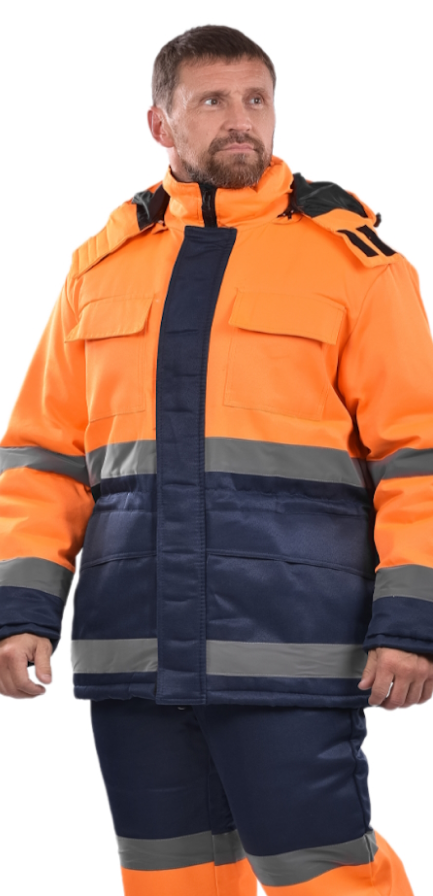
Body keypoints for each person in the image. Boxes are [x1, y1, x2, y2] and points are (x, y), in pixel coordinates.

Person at [0, 22, 431, 896]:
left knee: (324, 877)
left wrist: (409, 623)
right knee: (170, 882)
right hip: (136, 653)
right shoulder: (99, 270)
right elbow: (43, 458)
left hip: (289, 645)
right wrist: (21, 609)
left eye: (255, 99)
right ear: (160, 123)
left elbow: (414, 458)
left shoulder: (354, 265)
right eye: (212, 101)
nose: (241, 119)